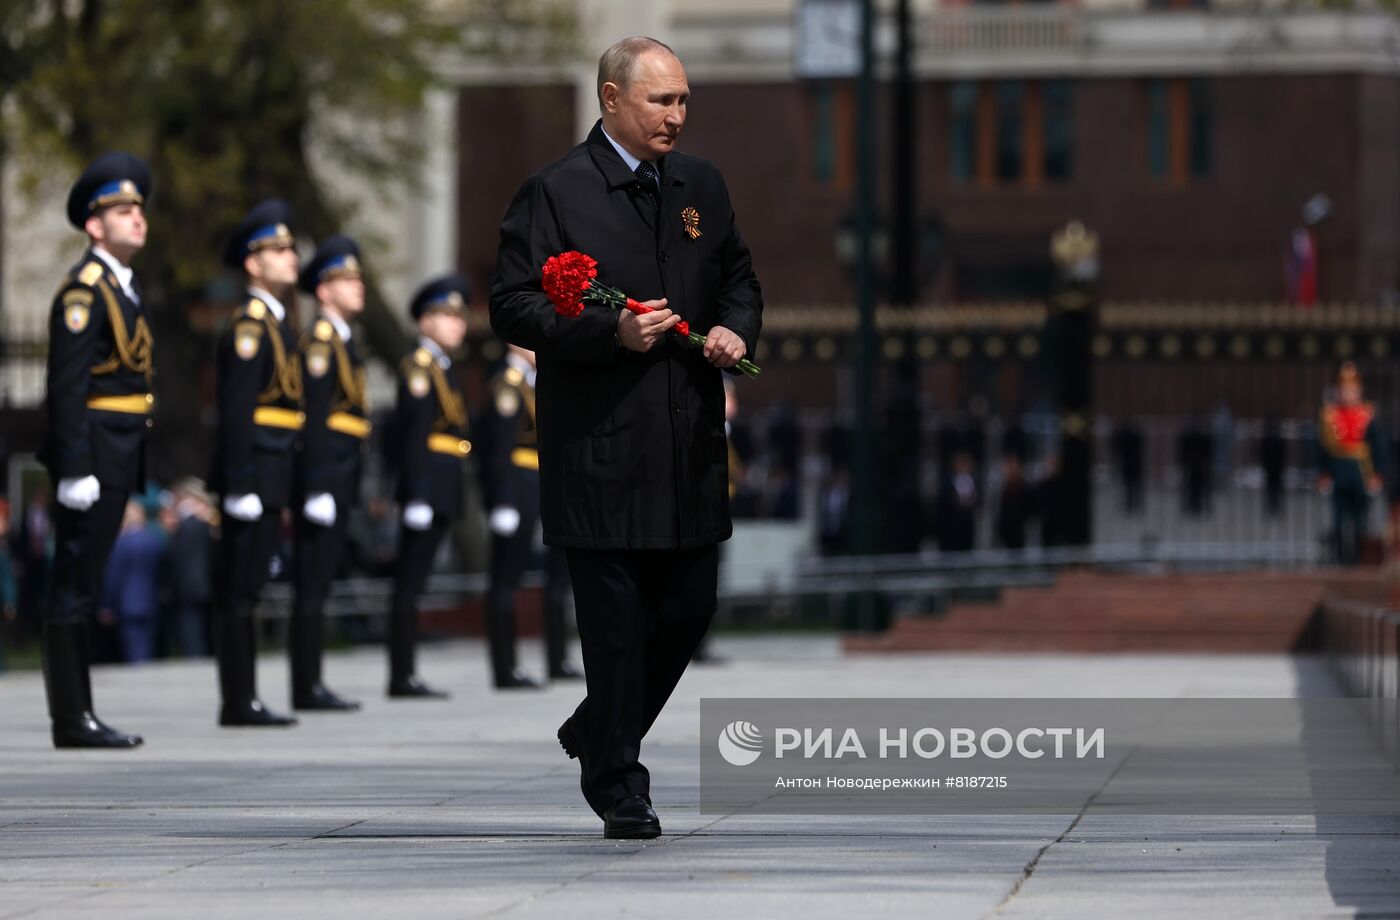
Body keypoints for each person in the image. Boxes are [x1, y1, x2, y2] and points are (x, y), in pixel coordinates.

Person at [491, 36, 763, 839]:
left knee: (688, 606)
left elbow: (740, 276)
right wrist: (608, 330)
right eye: (659, 101)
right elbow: (512, 306)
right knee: (612, 625)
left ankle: (595, 729)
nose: (675, 116)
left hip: (686, 443)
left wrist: (733, 330)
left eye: (682, 100)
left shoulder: (701, 185)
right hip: (600, 445)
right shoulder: (556, 191)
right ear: (611, 99)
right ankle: (619, 782)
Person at [38, 151, 153, 748]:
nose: (137, 217)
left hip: (117, 451)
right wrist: (74, 465)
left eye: (138, 208)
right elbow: (67, 386)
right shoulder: (85, 290)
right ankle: (70, 716)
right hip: (94, 455)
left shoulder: (122, 287)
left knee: (87, 580)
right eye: (121, 209)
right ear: (93, 224)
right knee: (75, 584)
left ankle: (79, 712)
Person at [209, 198, 302, 727]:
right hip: (253, 475)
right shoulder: (250, 325)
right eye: (279, 249)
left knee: (249, 590)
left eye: (290, 248)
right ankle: (238, 699)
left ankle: (244, 697)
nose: (291, 258)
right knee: (239, 589)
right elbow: (238, 411)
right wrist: (240, 481)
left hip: (269, 474)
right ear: (253, 262)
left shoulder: (275, 323)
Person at [382, 273, 472, 699]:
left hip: (440, 484)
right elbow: (415, 434)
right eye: (446, 315)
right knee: (408, 583)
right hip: (426, 487)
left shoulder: (441, 368)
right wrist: (415, 493)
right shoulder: (419, 368)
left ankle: (407, 671)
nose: (457, 323)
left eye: (459, 316)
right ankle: (402, 674)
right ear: (425, 322)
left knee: (416, 584)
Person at [290, 234, 368, 711]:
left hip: (342, 473)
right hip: (326, 475)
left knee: (320, 582)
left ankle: (312, 680)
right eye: (346, 279)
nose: (358, 287)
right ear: (323, 290)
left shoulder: (342, 341)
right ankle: (306, 684)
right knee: (311, 583)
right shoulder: (320, 343)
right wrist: (316, 484)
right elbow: (315, 417)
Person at [476, 344, 584, 689]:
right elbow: (499, 449)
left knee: (557, 578)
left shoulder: (535, 381)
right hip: (518, 490)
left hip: (542, 486)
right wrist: (502, 500)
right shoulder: (508, 384)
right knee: (506, 581)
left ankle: (557, 659)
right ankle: (505, 668)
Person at [1319, 362, 1387, 566]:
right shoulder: (1331, 416)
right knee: (1339, 518)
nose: (1348, 394)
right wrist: (1324, 474)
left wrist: (1377, 475)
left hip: (1360, 472)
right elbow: (1324, 451)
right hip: (1340, 471)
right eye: (1344, 390)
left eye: (1352, 390)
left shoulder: (1367, 415)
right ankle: (1341, 559)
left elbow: (1378, 448)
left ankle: (1357, 559)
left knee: (1360, 519)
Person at [100, 501, 164, 663]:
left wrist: (107, 605)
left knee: (133, 651)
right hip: (151, 601)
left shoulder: (120, 543)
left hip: (126, 604)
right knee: (146, 647)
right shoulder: (154, 540)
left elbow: (113, 577)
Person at [169, 477, 215, 657]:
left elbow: (179, 557)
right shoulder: (206, 524)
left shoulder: (189, 525)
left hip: (190, 585)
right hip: (205, 583)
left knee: (192, 630)